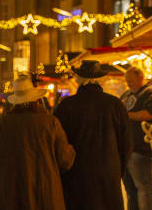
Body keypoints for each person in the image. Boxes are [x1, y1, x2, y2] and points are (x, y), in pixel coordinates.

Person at [0, 75, 75, 209]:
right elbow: (65, 160)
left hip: (8, 194)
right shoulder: (50, 123)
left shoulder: (2, 124)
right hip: (44, 194)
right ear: (36, 99)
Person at [54, 60, 132, 210]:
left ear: (79, 79)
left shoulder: (67, 105)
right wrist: (118, 169)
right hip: (108, 171)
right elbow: (127, 143)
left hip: (76, 173)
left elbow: (57, 142)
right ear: (100, 79)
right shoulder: (115, 105)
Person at [120, 66, 152, 210]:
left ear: (140, 77)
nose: (129, 84)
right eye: (127, 81)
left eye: (131, 80)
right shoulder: (126, 94)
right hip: (126, 148)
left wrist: (126, 115)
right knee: (131, 190)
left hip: (140, 148)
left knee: (143, 188)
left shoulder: (151, 92)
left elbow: (150, 114)